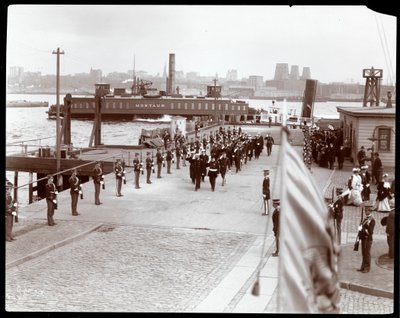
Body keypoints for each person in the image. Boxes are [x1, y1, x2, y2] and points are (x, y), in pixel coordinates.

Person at [357, 207, 375, 273]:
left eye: (366, 210)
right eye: (365, 210)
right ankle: (363, 266)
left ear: (370, 211)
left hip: (368, 239)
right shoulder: (365, 219)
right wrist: (360, 228)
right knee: (363, 253)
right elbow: (362, 227)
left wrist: (363, 230)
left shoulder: (371, 220)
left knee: (367, 253)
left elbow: (370, 231)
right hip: (363, 238)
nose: (365, 211)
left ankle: (367, 267)